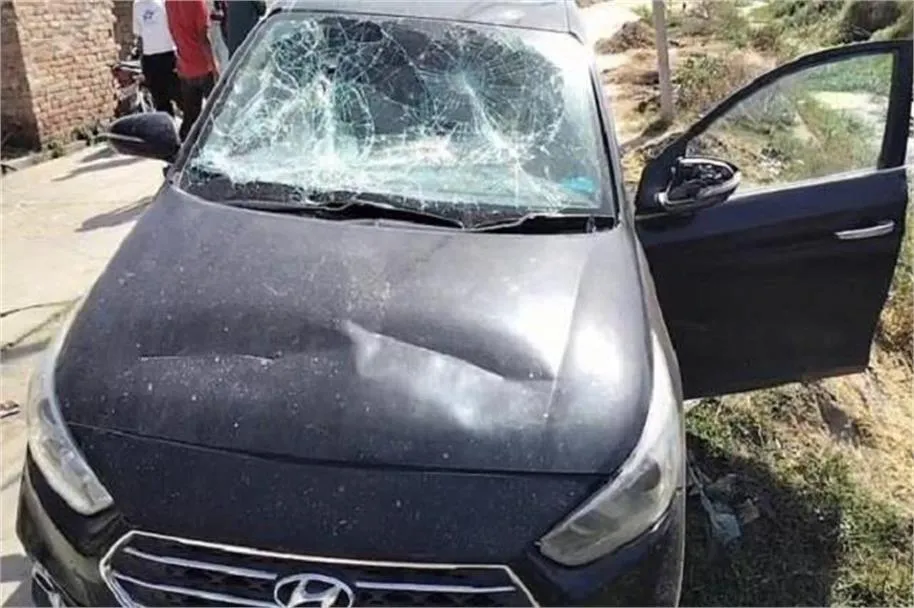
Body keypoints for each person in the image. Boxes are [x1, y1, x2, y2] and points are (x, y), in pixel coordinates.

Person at [165, 0, 218, 141]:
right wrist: (215, 67)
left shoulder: (169, 3)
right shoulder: (197, 2)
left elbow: (173, 32)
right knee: (218, 111)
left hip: (186, 67)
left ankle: (182, 146)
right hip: (203, 66)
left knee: (190, 117)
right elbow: (203, 38)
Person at [132, 0, 180, 115]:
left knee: (180, 96)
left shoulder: (164, 2)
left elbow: (175, 27)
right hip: (150, 59)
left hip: (169, 54)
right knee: (160, 101)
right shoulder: (137, 5)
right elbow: (139, 35)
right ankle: (167, 123)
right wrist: (142, 62)